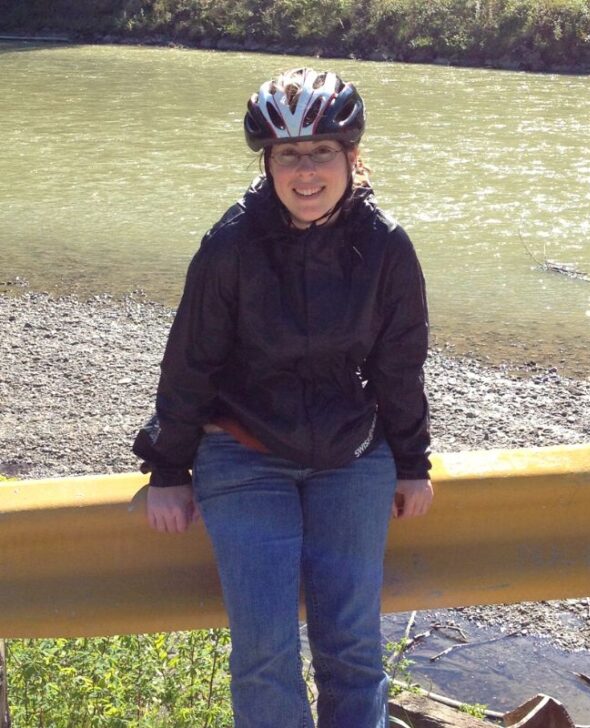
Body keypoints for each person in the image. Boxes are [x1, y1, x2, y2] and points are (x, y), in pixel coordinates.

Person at [133, 67, 433, 728]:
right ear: (268, 163)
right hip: (244, 457)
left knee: (352, 650)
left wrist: (413, 461)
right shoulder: (231, 245)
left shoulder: (386, 247)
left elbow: (399, 365)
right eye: (289, 155)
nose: (306, 172)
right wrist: (168, 468)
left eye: (322, 152)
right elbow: (191, 363)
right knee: (264, 653)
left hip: (352, 458)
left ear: (352, 157)